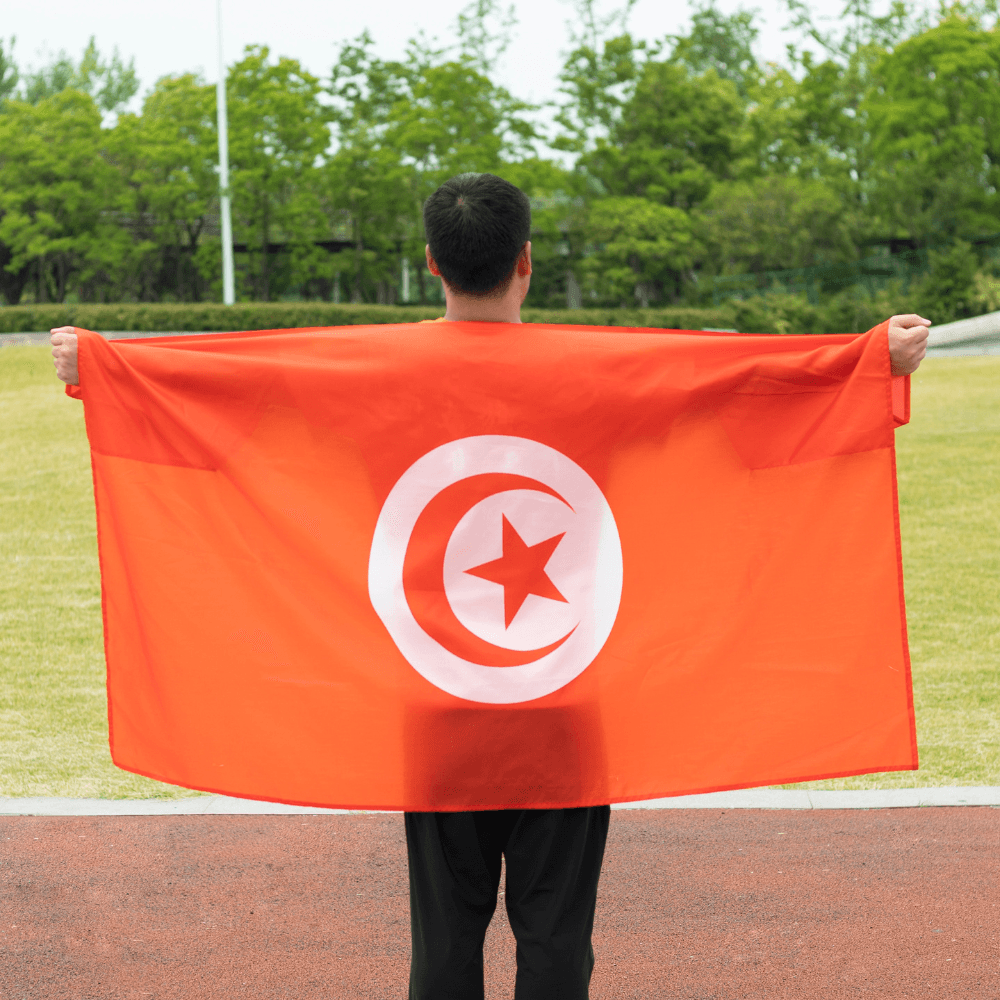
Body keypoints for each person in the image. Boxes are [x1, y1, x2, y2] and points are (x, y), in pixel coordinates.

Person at [51, 172, 931, 1000]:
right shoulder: (599, 371)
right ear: (526, 261)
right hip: (566, 698)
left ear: (430, 262)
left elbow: (228, 385)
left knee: (443, 946)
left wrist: (101, 363)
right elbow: (738, 384)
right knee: (556, 943)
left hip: (437, 701)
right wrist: (870, 357)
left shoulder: (369, 373)